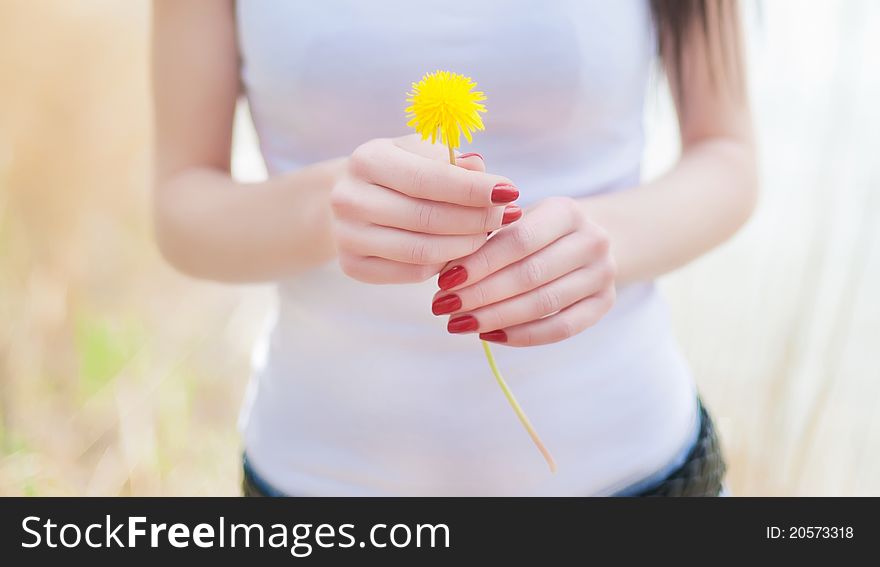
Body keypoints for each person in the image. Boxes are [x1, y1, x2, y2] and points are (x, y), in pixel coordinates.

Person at [151, 0, 756, 496]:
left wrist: (606, 241)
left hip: (637, 472)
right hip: (317, 480)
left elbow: (729, 155)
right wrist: (324, 207)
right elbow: (181, 206)